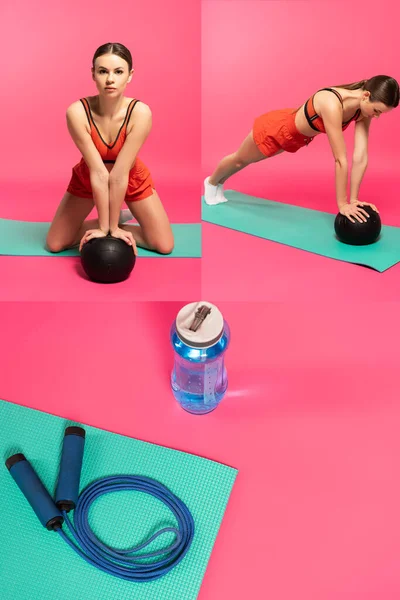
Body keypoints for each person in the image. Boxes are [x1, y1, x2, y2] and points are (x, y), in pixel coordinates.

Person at [204, 76, 399, 223]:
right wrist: (343, 204)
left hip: (296, 140)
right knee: (241, 159)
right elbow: (340, 159)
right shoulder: (332, 103)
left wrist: (354, 199)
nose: (377, 116)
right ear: (366, 95)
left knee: (246, 160)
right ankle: (212, 182)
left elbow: (361, 156)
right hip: (277, 129)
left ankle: (218, 184)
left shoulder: (362, 110)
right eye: (377, 111)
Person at [46, 42, 174, 255]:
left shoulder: (140, 113)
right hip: (90, 176)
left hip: (129, 176)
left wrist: (111, 228)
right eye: (103, 71)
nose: (110, 79)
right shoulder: (77, 112)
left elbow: (119, 175)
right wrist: (105, 227)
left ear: (130, 75)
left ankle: (118, 222)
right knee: (55, 243)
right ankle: (108, 220)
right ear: (93, 74)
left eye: (118, 71)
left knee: (164, 245)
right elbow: (98, 172)